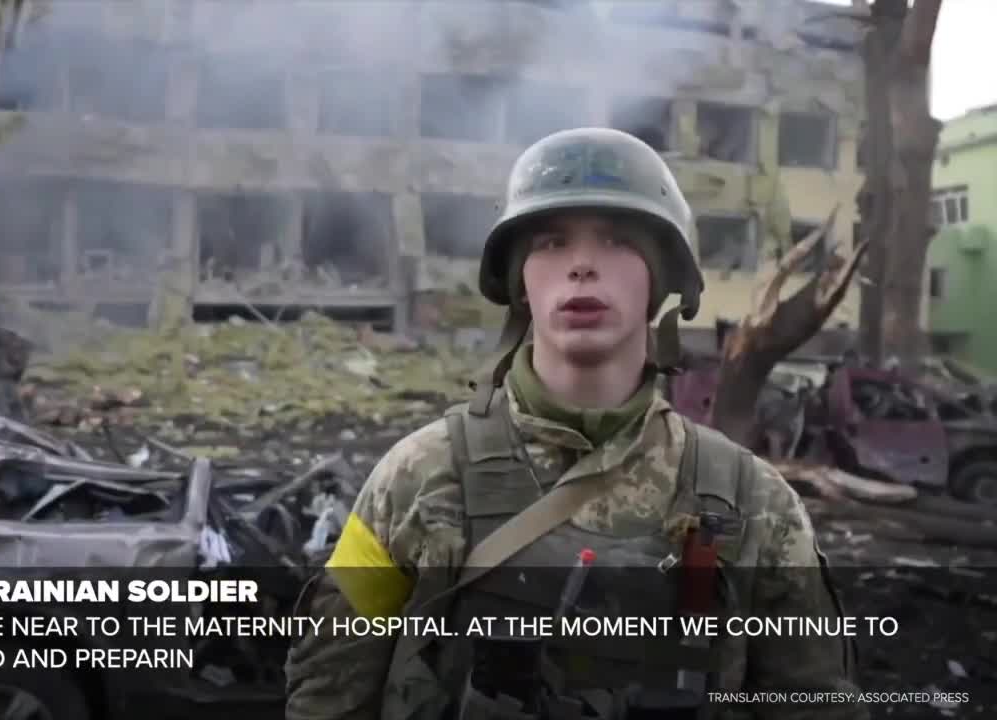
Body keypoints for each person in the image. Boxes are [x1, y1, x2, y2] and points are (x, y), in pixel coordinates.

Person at [284, 128, 866, 720]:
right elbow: (330, 692)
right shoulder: (413, 478)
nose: (583, 266)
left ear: (660, 278)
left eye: (616, 240)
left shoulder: (755, 502)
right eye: (551, 242)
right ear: (519, 281)